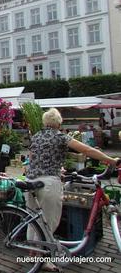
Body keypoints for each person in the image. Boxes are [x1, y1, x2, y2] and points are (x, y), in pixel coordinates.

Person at [26, 108, 119, 271]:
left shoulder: (36, 136)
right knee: (49, 222)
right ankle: (42, 260)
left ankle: (32, 255)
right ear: (59, 123)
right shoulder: (61, 137)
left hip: (30, 180)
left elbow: (32, 158)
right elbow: (87, 150)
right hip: (48, 182)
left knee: (33, 219)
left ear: (44, 122)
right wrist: (111, 160)